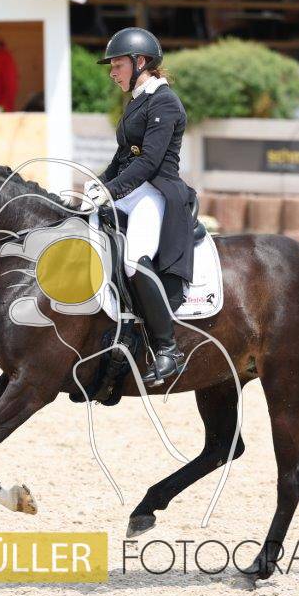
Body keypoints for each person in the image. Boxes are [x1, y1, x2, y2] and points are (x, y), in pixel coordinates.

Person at [86, 28, 197, 386]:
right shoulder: (137, 100)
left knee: (134, 260)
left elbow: (149, 162)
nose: (112, 73)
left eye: (117, 65)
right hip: (134, 189)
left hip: (157, 192)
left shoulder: (164, 102)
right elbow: (122, 158)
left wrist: (111, 190)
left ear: (141, 62)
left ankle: (168, 349)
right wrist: (96, 185)